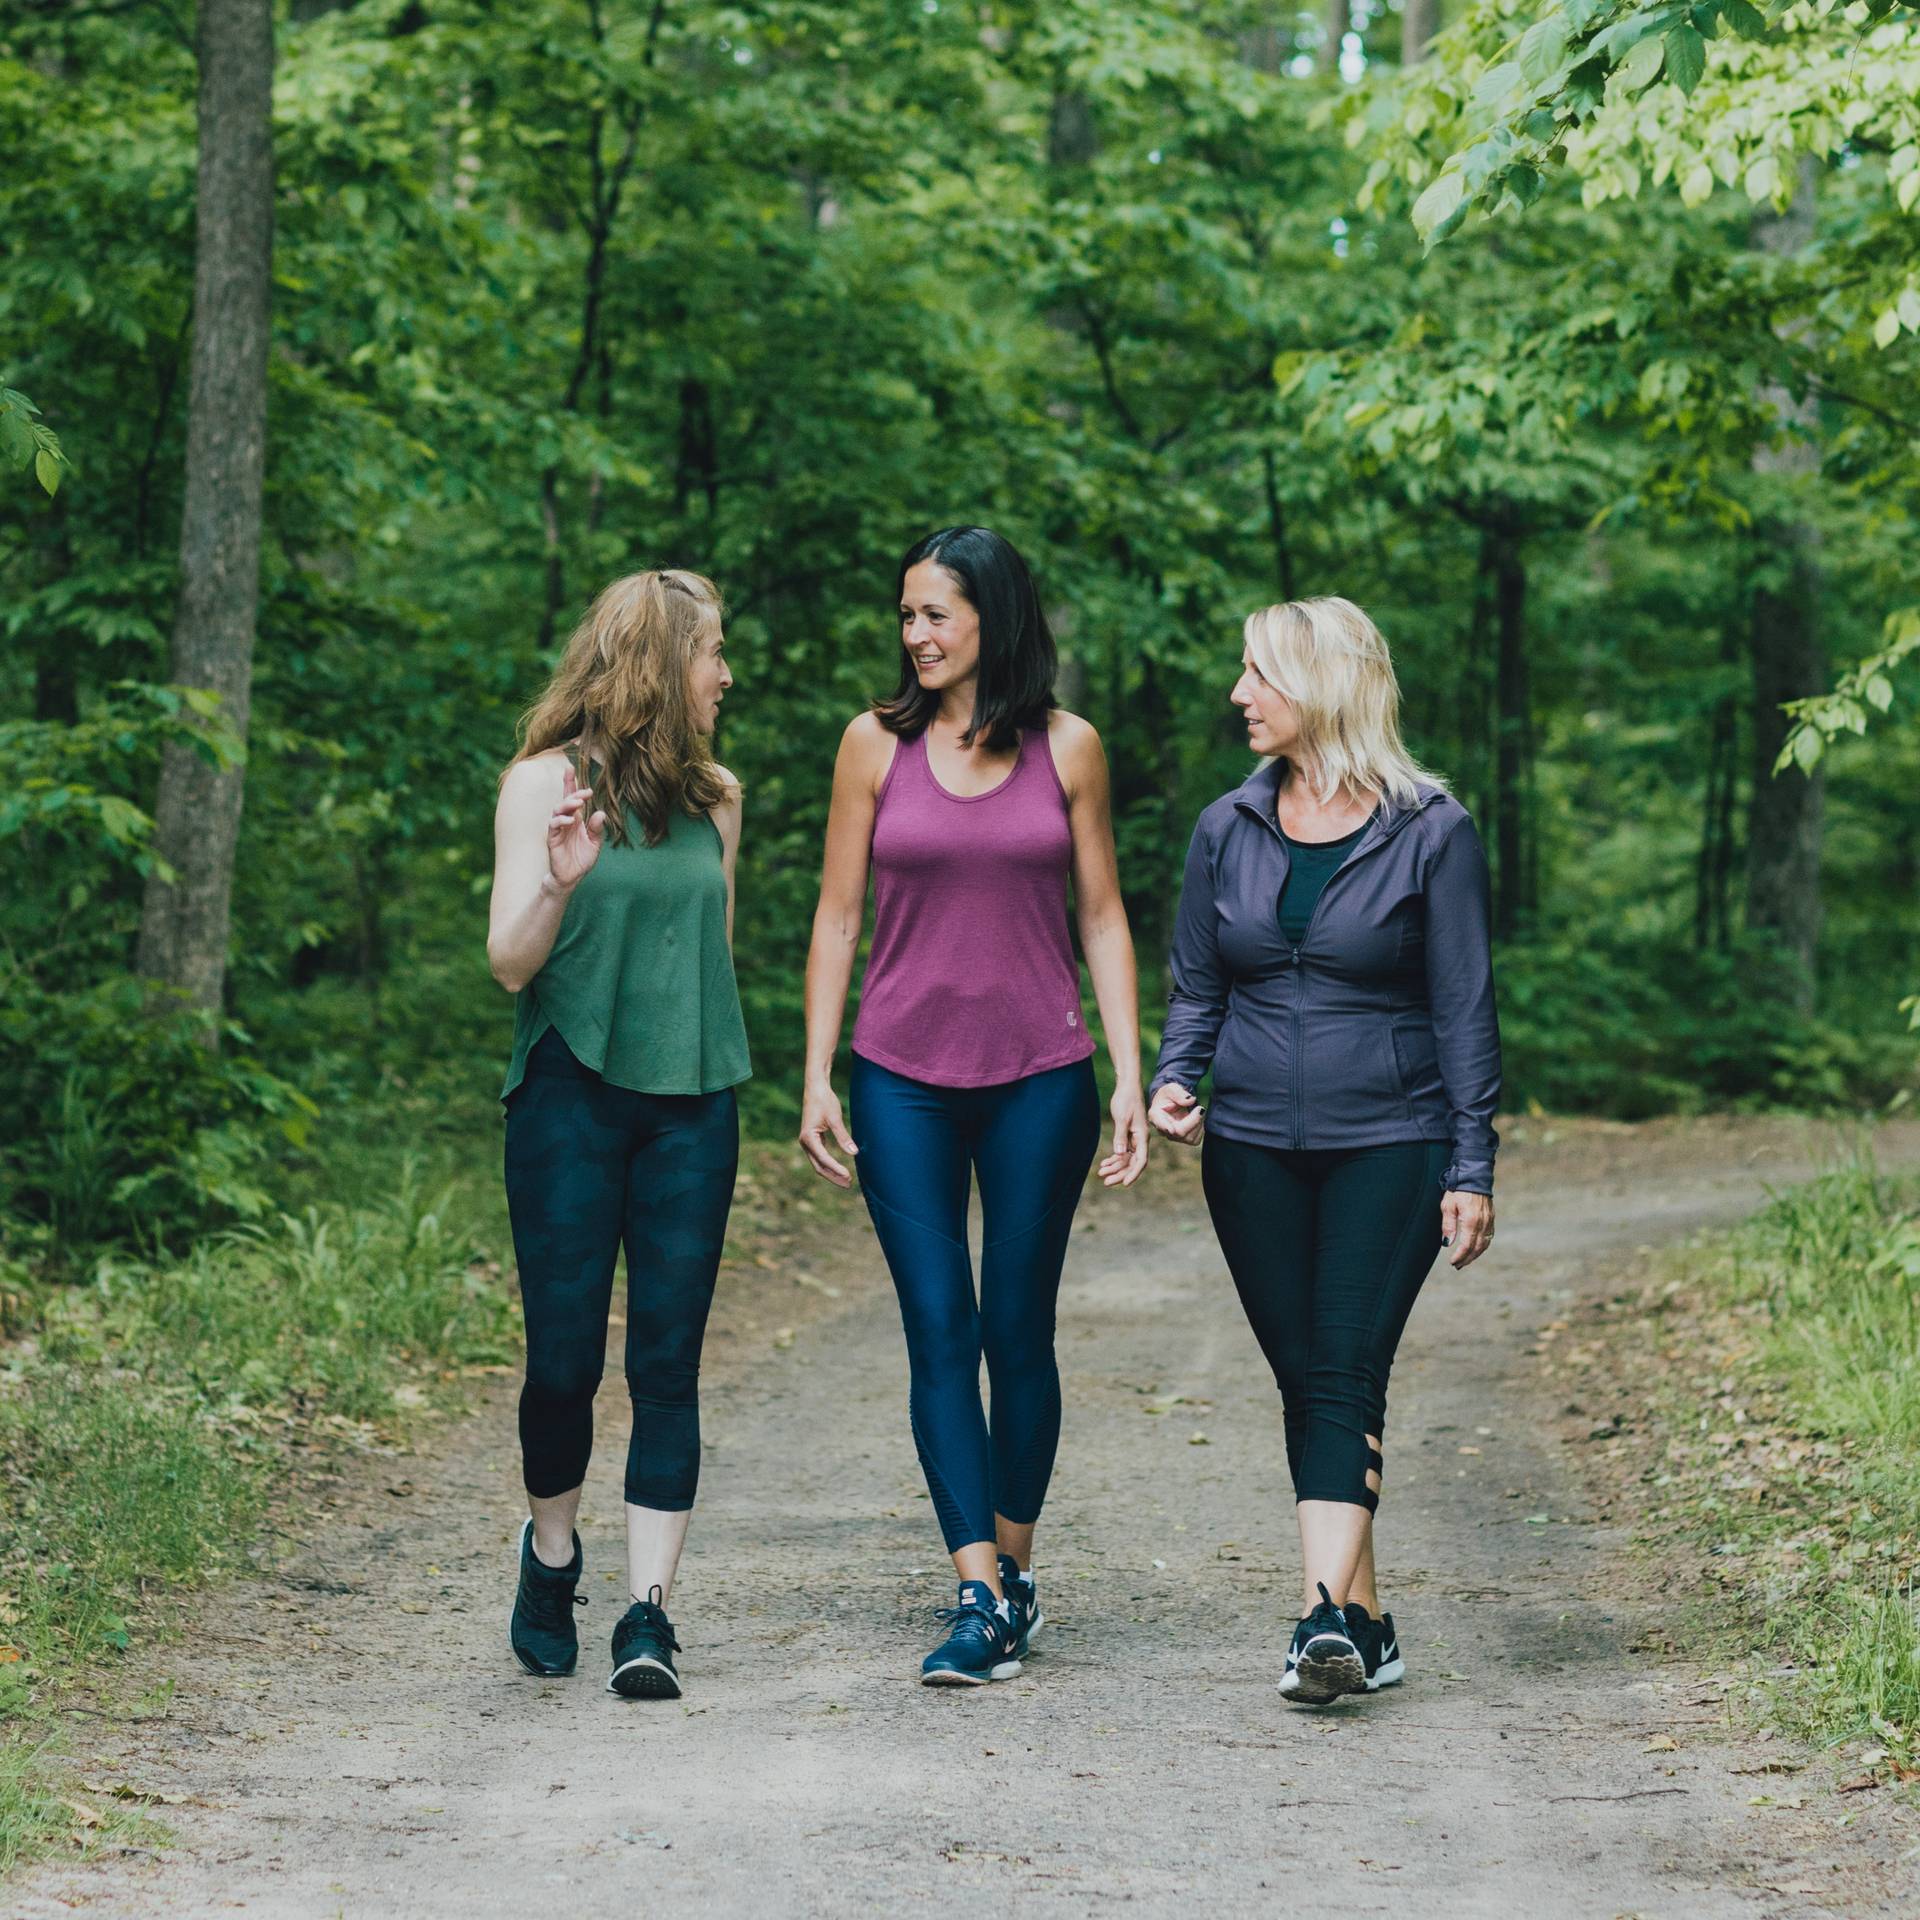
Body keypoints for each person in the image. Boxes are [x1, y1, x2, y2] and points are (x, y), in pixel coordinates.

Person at [799, 525, 1148, 1687]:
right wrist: (813, 1074)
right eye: (905, 616)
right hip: (900, 1076)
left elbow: (1102, 912)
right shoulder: (871, 745)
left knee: (1016, 1328)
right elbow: (838, 913)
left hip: (1042, 1079)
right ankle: (977, 1591)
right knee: (938, 1328)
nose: (915, 635)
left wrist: (1132, 1075)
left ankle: (1015, 1566)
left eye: (935, 614)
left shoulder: (1070, 748)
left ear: (993, 618)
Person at [1147, 595, 1499, 1705]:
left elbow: (1465, 1008)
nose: (1238, 695)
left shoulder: (1431, 829)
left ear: (1323, 687)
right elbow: (1199, 982)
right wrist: (1172, 1079)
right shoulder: (1227, 826)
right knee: (1311, 1384)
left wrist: (1472, 1165)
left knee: (1345, 1370)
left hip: (1391, 1143)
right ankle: (1371, 1626)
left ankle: (1315, 1623)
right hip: (1249, 1145)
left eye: (1260, 675)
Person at [486, 569, 749, 1701]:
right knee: (563, 1364)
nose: (727, 675)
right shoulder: (543, 783)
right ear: (657, 661)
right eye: (714, 652)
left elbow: (713, 952)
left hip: (692, 1101)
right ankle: (553, 1559)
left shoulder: (719, 797)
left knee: (668, 1362)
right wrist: (556, 885)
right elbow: (508, 960)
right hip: (567, 1100)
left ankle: (649, 1616)